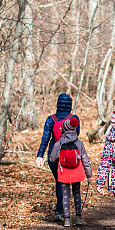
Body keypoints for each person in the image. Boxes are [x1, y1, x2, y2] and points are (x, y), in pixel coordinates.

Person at [35, 93, 79, 221]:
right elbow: (77, 135)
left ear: (58, 104)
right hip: (69, 154)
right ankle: (62, 211)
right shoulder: (74, 118)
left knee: (59, 181)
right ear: (70, 105)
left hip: (53, 155)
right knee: (64, 182)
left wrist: (40, 155)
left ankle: (60, 211)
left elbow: (45, 139)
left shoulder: (51, 119)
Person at [55, 116, 92, 226]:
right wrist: (89, 174)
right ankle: (79, 217)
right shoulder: (79, 144)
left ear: (64, 130)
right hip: (77, 172)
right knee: (77, 193)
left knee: (65, 194)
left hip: (63, 172)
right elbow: (85, 160)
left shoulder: (59, 144)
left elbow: (52, 158)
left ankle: (67, 219)